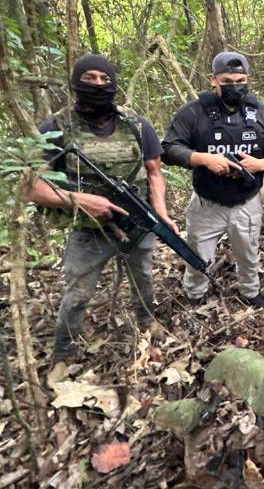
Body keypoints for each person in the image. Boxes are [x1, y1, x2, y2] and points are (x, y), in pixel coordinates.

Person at [24, 54, 174, 362]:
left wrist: (161, 212)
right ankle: (64, 350)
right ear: (75, 83)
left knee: (144, 278)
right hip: (88, 230)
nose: (98, 84)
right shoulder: (55, 127)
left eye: (105, 79)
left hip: (137, 221)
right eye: (90, 78)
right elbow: (29, 186)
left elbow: (154, 172)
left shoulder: (136, 123)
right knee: (78, 293)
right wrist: (79, 200)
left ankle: (146, 322)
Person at [161, 51, 264, 307]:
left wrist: (262, 163)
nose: (234, 86)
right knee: (197, 257)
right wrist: (203, 159)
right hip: (207, 202)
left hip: (246, 201)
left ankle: (250, 292)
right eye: (227, 81)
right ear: (213, 80)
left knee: (249, 255)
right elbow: (170, 148)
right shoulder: (194, 113)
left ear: (248, 79)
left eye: (240, 80)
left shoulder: (260, 113)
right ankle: (194, 295)